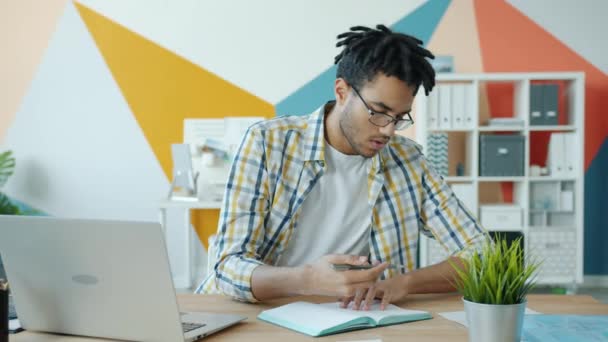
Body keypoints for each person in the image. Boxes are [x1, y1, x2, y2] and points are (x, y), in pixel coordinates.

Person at [197, 24, 487, 310]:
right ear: (342, 92)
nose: (388, 131)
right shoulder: (268, 143)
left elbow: (483, 254)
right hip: (258, 316)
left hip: (348, 319)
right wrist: (306, 280)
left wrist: (404, 283)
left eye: (399, 118)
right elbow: (228, 267)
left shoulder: (408, 161)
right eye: (378, 112)